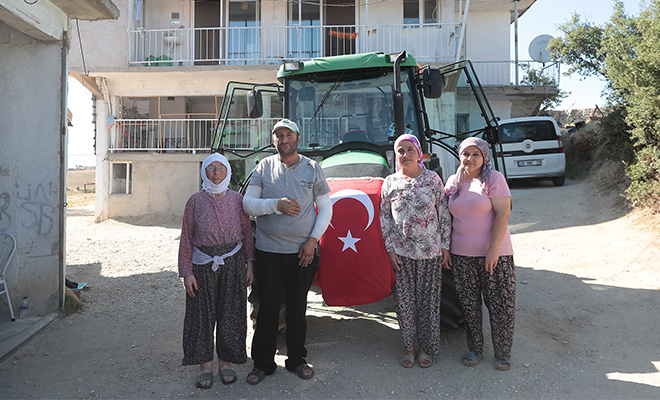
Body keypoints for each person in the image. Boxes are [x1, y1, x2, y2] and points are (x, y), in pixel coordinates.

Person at [242, 118, 332, 384]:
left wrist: (313, 240)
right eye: (278, 135)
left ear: (297, 138)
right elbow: (248, 204)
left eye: (288, 135)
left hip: (301, 254)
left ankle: (297, 360)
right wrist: (276, 205)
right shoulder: (263, 168)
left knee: (297, 309)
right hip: (268, 253)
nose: (284, 140)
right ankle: (262, 364)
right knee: (267, 310)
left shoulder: (312, 168)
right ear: (274, 140)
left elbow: (326, 208)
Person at [178, 153, 255, 388]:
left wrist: (250, 263)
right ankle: (205, 365)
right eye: (210, 168)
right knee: (201, 314)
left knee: (230, 313)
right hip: (202, 264)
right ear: (204, 172)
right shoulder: (194, 201)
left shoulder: (237, 199)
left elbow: (247, 233)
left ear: (228, 171)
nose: (216, 172)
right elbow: (187, 237)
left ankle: (226, 362)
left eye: (221, 168)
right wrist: (187, 272)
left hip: (233, 262)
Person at [443, 136, 515, 371]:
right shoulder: (454, 181)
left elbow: (503, 214)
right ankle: (475, 349)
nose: (470, 158)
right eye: (465, 154)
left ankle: (502, 353)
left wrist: (493, 251)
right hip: (462, 255)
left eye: (476, 154)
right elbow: (446, 216)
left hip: (494, 255)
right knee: (469, 307)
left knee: (499, 305)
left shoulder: (494, 179)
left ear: (484, 157)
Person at [380, 134, 451, 369]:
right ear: (395, 155)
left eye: (410, 149)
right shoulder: (389, 182)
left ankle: (425, 350)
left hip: (430, 253)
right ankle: (409, 349)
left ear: (419, 153)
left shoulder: (432, 179)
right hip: (401, 255)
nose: (405, 155)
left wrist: (445, 247)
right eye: (400, 150)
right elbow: (385, 219)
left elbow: (444, 213)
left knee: (428, 303)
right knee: (404, 303)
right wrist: (390, 249)